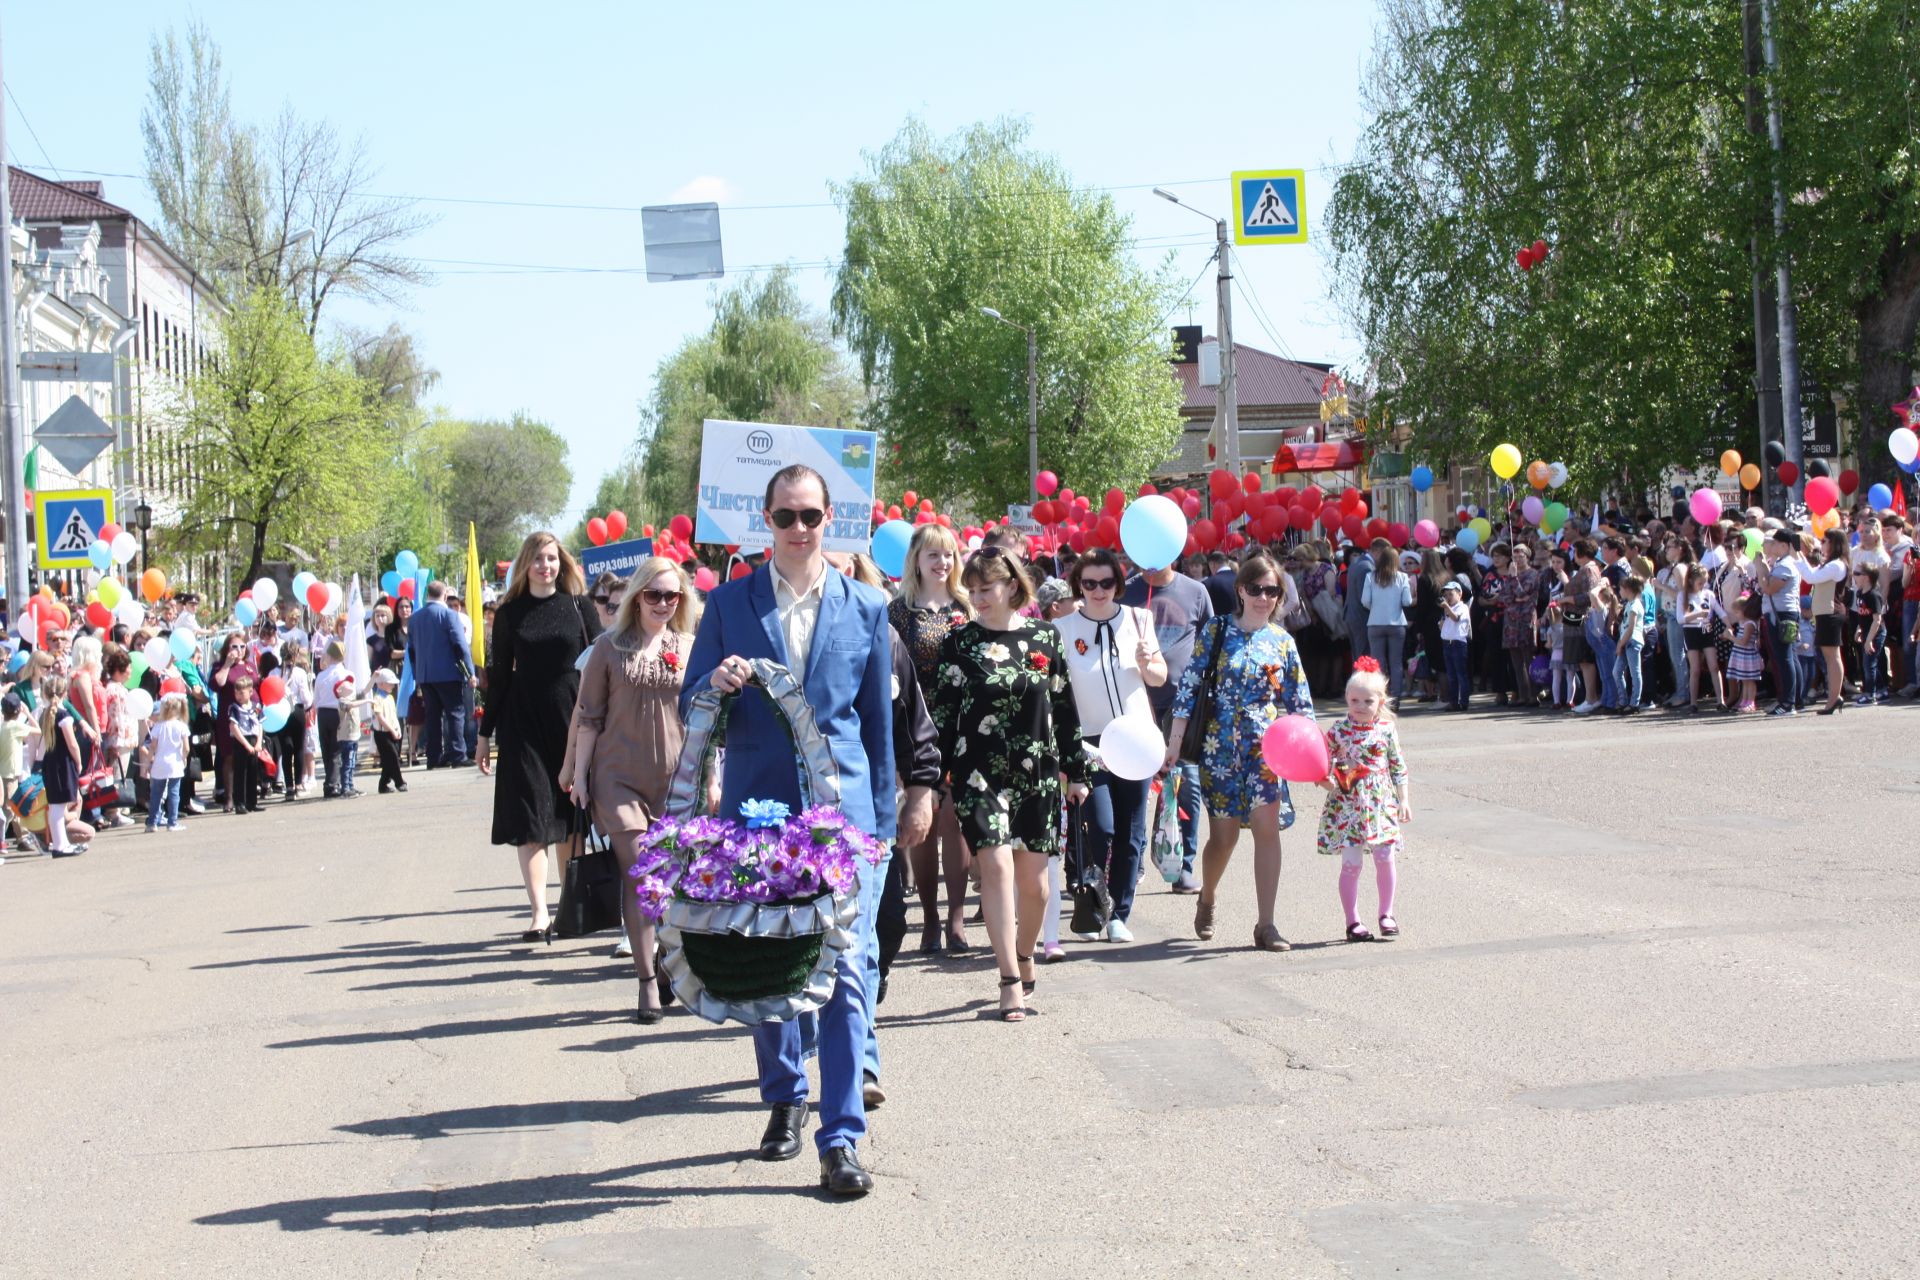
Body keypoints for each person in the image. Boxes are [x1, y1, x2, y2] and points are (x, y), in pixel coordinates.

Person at [683, 463, 898, 1197]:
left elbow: (876, 727)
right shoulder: (728, 605)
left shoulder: (868, 607)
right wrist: (714, 687)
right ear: (766, 523)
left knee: (843, 972)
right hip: (758, 810)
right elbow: (692, 698)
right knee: (769, 961)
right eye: (785, 517)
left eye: (811, 516)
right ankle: (784, 1094)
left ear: (829, 519)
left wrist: (888, 822)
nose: (800, 529)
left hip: (845, 818)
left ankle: (841, 1138)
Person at [932, 546, 1086, 1019]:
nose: (977, 597)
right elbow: (942, 713)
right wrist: (931, 776)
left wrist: (1076, 771)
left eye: (987, 588)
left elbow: (1063, 707)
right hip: (978, 772)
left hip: (1037, 771)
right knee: (995, 867)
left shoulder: (1046, 638)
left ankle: (1024, 952)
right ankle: (1008, 978)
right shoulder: (959, 643)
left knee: (1037, 889)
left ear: (1013, 587)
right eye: (972, 589)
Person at [564, 556, 697, 1025]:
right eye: (654, 594)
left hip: (677, 781)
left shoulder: (690, 648)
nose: (663, 603)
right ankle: (645, 981)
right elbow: (587, 719)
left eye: (672, 595)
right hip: (617, 778)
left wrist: (713, 772)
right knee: (642, 874)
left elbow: (707, 720)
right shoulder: (607, 648)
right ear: (637, 596)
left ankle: (667, 961)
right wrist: (579, 776)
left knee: (674, 881)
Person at [1165, 553, 1316, 953]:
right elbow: (1189, 689)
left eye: (1272, 591)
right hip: (1219, 748)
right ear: (1240, 590)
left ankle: (1266, 925)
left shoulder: (1283, 643)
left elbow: (1300, 705)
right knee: (1224, 838)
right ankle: (1208, 895)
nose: (1263, 598)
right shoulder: (1216, 631)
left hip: (1266, 751)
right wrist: (1175, 744)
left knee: (1267, 831)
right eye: (1255, 589)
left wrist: (1316, 757)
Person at [479, 531, 603, 942]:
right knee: (532, 818)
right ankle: (538, 912)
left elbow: (600, 666)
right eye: (537, 559)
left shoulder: (578, 606)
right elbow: (497, 680)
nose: (545, 565)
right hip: (523, 725)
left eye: (551, 558)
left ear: (561, 563)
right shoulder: (510, 613)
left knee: (570, 819)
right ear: (524, 565)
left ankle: (570, 907)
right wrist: (484, 735)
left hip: (574, 720)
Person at [1053, 547, 1165, 944]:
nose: (1098, 591)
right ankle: (1092, 902)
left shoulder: (1140, 618)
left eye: (1106, 583)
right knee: (1100, 826)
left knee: (1132, 831)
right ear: (1078, 586)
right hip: (1090, 741)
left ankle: (1119, 912)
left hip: (1136, 737)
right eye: (1089, 583)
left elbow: (1157, 678)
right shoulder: (1063, 629)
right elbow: (1058, 693)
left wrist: (1148, 663)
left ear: (1118, 584)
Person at [885, 523, 974, 953]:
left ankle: (957, 918)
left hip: (961, 728)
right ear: (916, 560)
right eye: (933, 555)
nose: (942, 563)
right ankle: (931, 918)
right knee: (923, 822)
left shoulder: (966, 606)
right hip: (914, 728)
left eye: (949, 555)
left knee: (954, 822)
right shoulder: (898, 611)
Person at [1121, 547, 1214, 896]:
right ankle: (1136, 861)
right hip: (1135, 700)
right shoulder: (1125, 590)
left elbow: (1207, 644)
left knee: (1186, 782)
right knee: (1138, 786)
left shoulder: (1196, 592)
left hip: (1183, 703)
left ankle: (1182, 864)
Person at [1316, 658, 1410, 942]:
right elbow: (1321, 762)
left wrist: (1404, 799)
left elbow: (1398, 765)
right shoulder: (1338, 730)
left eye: (1367, 701)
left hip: (1380, 803)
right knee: (1351, 864)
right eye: (1354, 699)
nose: (1359, 706)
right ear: (1346, 698)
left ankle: (1386, 913)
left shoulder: (1385, 729)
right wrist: (1324, 779)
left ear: (1380, 702)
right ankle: (1352, 920)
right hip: (1348, 805)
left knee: (1385, 856)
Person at [409, 579, 477, 769]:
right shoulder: (449, 615)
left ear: (427, 595)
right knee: (455, 713)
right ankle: (458, 754)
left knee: (432, 717)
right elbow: (460, 645)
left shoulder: (415, 618)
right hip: (448, 673)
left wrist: (417, 676)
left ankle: (434, 758)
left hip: (426, 675)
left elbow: (412, 650)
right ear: (445, 596)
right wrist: (470, 672)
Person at [1798, 529, 1850, 715]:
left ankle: (1834, 698)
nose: (1822, 543)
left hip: (1831, 612)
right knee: (1830, 657)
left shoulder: (1836, 565)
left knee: (1833, 657)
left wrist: (1797, 557)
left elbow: (1810, 577)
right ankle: (1834, 697)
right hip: (1824, 613)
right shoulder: (1830, 563)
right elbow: (1812, 574)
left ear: (1835, 543)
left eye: (1825, 540)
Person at [1359, 537, 1414, 708]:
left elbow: (1365, 601)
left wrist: (1377, 607)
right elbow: (1407, 601)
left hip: (1375, 622)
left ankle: (1380, 696)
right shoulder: (1402, 577)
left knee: (1379, 663)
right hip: (1397, 623)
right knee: (1396, 662)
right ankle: (1396, 697)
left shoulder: (1371, 577)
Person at [38, 676, 87, 857]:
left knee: (56, 806)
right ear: (64, 693)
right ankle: (59, 845)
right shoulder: (63, 715)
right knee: (58, 807)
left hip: (50, 761)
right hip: (62, 763)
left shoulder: (46, 713)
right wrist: (79, 761)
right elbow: (72, 743)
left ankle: (62, 842)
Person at [223, 675, 268, 813]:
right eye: (237, 693)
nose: (239, 696)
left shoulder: (256, 707)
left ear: (250, 692)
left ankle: (252, 802)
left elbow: (260, 724)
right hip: (241, 741)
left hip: (254, 740)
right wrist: (246, 744)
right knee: (240, 772)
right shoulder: (234, 708)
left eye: (242, 692)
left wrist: (259, 742)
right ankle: (240, 803)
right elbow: (233, 727)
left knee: (253, 771)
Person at [312, 641, 351, 797]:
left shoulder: (322, 675)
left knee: (327, 749)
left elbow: (316, 698)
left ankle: (331, 781)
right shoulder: (345, 674)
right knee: (336, 750)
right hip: (338, 712)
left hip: (323, 714)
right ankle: (332, 784)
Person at [1849, 564, 1886, 705]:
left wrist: (1869, 640)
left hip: (1876, 633)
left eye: (1857, 574)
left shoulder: (1874, 596)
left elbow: (1877, 620)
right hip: (1866, 632)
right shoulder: (1859, 593)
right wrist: (1859, 629)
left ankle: (1871, 695)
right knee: (1871, 664)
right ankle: (1882, 690)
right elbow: (1862, 616)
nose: (1854, 576)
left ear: (1867, 577)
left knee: (1868, 664)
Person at [369, 668, 407, 793]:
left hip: (391, 732)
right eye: (389, 683)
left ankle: (383, 784)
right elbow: (380, 718)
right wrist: (391, 729)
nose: (392, 685)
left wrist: (397, 729)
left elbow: (393, 715)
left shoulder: (390, 697)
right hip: (381, 734)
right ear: (380, 684)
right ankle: (399, 782)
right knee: (393, 757)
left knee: (388, 760)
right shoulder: (377, 698)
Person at [1727, 594, 1764, 712]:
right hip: (1742, 656)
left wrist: (1730, 637)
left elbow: (1744, 642)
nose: (1735, 615)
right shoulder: (1743, 623)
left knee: (1749, 680)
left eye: (1737, 612)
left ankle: (1750, 702)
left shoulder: (1749, 624)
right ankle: (1744, 701)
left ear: (1745, 611)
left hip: (1748, 656)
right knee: (1744, 680)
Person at [1439, 579, 1472, 710]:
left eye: (1450, 594)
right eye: (1445, 595)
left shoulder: (1462, 607)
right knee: (1451, 675)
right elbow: (1446, 625)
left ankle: (1463, 701)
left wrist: (1446, 607)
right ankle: (1453, 701)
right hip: (1447, 643)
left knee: (1460, 674)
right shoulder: (1448, 609)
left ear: (1459, 594)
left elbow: (1456, 618)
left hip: (1458, 644)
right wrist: (1441, 625)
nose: (1448, 598)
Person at [333, 672, 367, 797]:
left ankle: (350, 786)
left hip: (354, 736)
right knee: (347, 762)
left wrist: (373, 678)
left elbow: (364, 691)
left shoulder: (352, 698)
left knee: (352, 762)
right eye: (347, 683)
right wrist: (367, 700)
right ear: (340, 689)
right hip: (346, 737)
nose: (350, 684)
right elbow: (350, 705)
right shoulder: (342, 701)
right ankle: (345, 788)